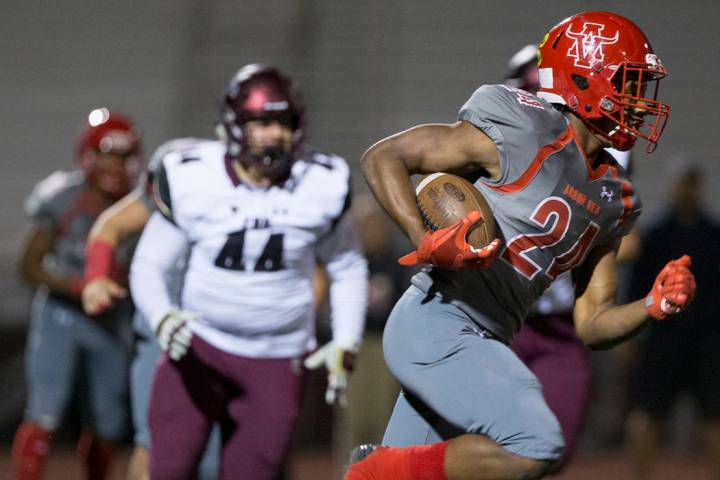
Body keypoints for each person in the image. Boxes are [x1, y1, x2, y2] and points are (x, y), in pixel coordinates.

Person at [347, 11, 696, 480]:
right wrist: (423, 238)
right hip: (437, 321)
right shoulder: (523, 126)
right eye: (627, 83)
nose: (638, 103)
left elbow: (592, 324)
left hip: (489, 337)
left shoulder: (616, 194)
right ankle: (373, 471)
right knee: (538, 442)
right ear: (582, 77)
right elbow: (384, 156)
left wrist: (652, 306)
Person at [129, 64, 369, 480]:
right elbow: (150, 261)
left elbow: (346, 265)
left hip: (277, 357)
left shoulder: (321, 181)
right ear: (235, 125)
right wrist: (161, 314)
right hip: (199, 348)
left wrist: (346, 337)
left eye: (282, 122)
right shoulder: (191, 174)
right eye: (261, 122)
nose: (274, 134)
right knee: (167, 469)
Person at [12, 108, 142, 480]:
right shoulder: (62, 196)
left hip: (112, 318)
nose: (114, 166)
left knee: (109, 422)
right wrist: (78, 285)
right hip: (61, 316)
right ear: (88, 155)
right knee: (45, 411)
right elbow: (29, 264)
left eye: (122, 156)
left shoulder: (139, 204)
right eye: (106, 155)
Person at [81, 139, 222, 480]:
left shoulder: (264, 196)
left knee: (227, 457)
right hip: (162, 333)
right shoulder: (174, 183)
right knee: (153, 449)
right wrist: (96, 277)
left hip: (227, 336)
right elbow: (109, 226)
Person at [624, 163, 720, 479]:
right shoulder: (655, 236)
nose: (688, 191)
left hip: (707, 341)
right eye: (683, 183)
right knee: (647, 412)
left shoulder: (714, 235)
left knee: (713, 415)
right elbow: (636, 290)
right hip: (662, 339)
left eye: (693, 184)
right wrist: (631, 338)